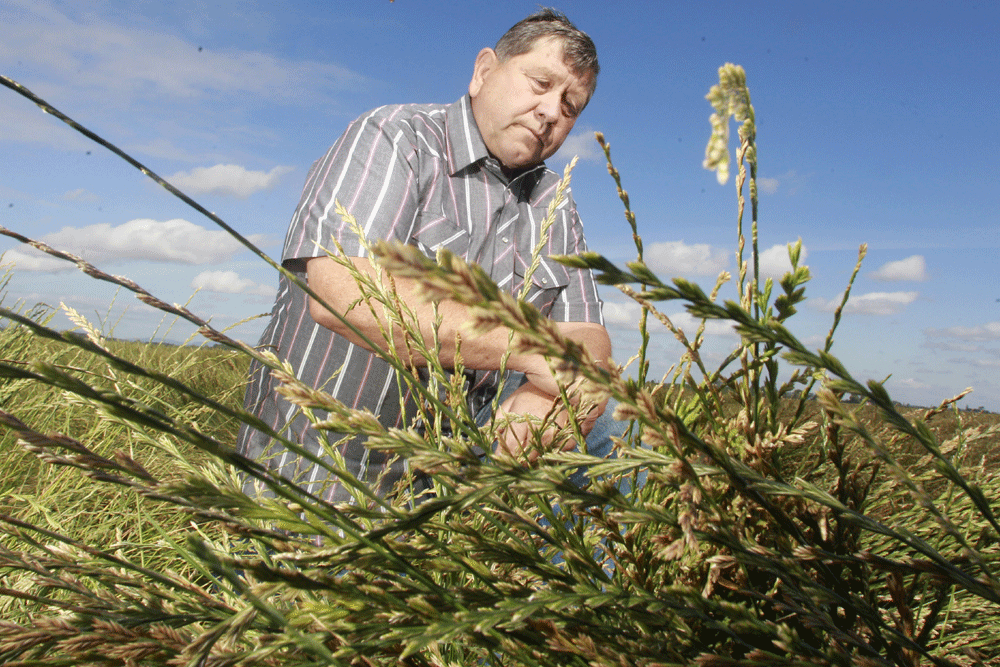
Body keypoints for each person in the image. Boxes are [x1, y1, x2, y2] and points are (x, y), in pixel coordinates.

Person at [237, 8, 617, 504]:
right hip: (328, 462)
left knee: (611, 429)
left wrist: (562, 407)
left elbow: (589, 339)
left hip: (460, 469)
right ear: (483, 72)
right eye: (540, 83)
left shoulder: (556, 201)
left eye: (571, 105)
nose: (550, 112)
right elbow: (343, 292)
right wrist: (537, 350)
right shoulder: (397, 137)